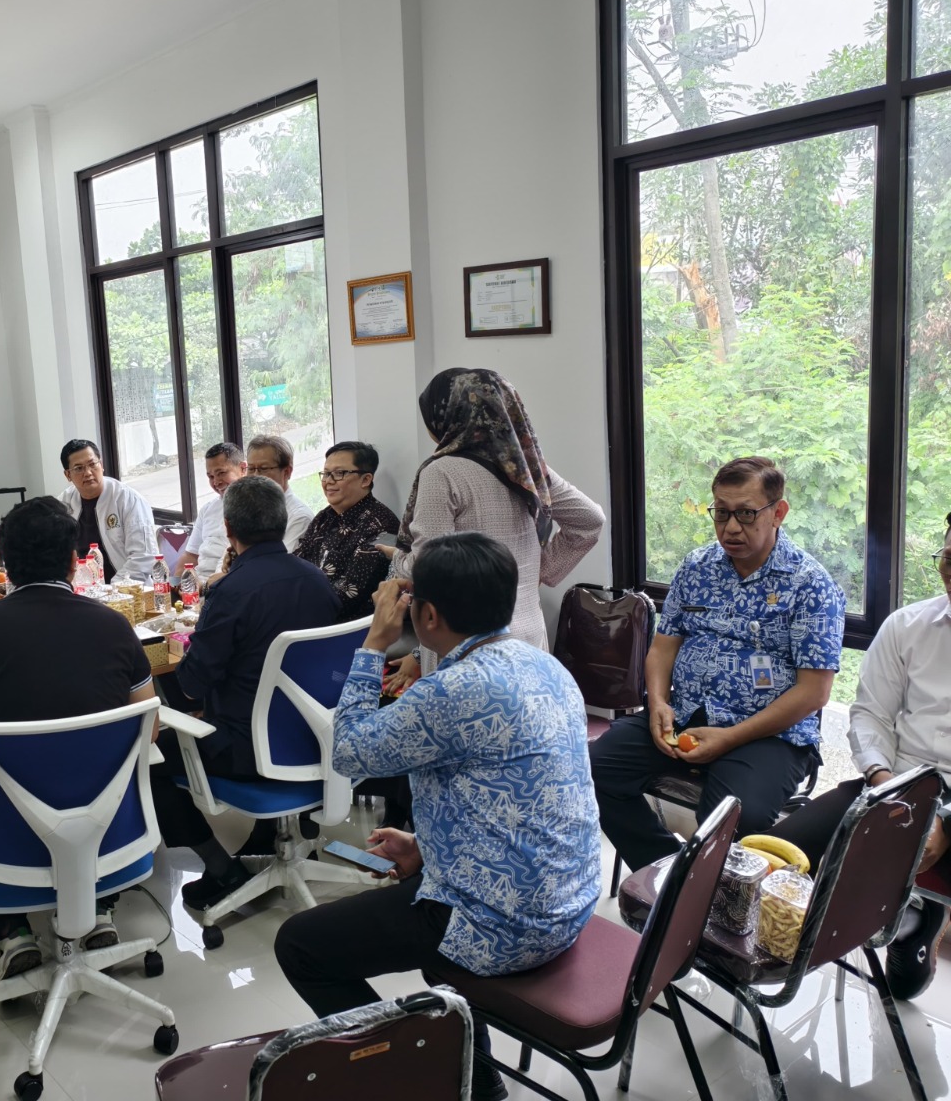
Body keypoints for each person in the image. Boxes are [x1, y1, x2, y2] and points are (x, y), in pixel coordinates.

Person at [273, 533, 601, 1101]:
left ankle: (425, 1069)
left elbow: (347, 752)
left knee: (301, 946)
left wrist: (374, 643)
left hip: (503, 926)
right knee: (413, 921)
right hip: (569, 900)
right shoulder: (543, 665)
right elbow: (516, 800)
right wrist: (428, 847)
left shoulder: (451, 690)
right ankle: (477, 1075)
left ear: (426, 615)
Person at [0, 497, 157, 979]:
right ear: (74, 561)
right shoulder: (114, 625)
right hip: (110, 829)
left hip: (8, 842)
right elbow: (148, 730)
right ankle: (99, 911)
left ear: (4, 564)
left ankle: (11, 933)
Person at [590, 456, 845, 873]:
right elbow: (663, 648)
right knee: (591, 771)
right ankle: (667, 876)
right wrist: (658, 704)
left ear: (778, 512)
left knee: (734, 817)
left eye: (746, 513)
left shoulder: (810, 585)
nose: (731, 528)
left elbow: (814, 692)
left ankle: (702, 894)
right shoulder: (697, 567)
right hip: (686, 714)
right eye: (721, 513)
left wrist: (730, 738)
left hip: (768, 734)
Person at [765, 510, 951, 1000]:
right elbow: (870, 715)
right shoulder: (908, 626)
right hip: (898, 782)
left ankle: (916, 916)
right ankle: (906, 920)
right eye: (949, 558)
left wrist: (943, 821)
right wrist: (886, 783)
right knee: (768, 858)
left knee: (902, 987)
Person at [149, 476, 341, 911]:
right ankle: (267, 835)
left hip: (249, 750)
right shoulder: (318, 581)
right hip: (318, 740)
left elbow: (192, 685)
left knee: (149, 757)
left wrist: (197, 631)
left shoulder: (231, 591)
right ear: (282, 522)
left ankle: (221, 869)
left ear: (229, 529)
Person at [381, 368, 605, 686]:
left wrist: (398, 559)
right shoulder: (525, 468)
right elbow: (590, 520)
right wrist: (539, 570)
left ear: (446, 417)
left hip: (465, 641)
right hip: (527, 634)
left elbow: (427, 567)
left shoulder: (443, 472)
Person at [292, 440, 401, 621]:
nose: (328, 481)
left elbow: (349, 596)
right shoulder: (323, 517)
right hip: (305, 613)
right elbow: (296, 564)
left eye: (339, 473)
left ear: (366, 480)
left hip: (344, 627)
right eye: (326, 474)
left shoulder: (382, 525)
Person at [57, 438, 159, 579]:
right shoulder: (63, 503)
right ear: (68, 475)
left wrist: (113, 588)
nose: (88, 472)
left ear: (101, 465)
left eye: (92, 464)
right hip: (81, 586)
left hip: (126, 586)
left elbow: (143, 557)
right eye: (79, 468)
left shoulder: (128, 499)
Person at [176, 441, 246, 582]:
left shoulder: (256, 507)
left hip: (227, 584)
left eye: (221, 473)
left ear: (242, 468)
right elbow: (190, 556)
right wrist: (175, 585)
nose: (216, 482)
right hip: (198, 584)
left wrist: (207, 587)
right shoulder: (207, 509)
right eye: (211, 477)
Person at [245, 433, 314, 551]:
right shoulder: (247, 511)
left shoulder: (299, 517)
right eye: (251, 469)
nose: (255, 476)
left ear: (287, 472)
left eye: (263, 468)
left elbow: (283, 561)